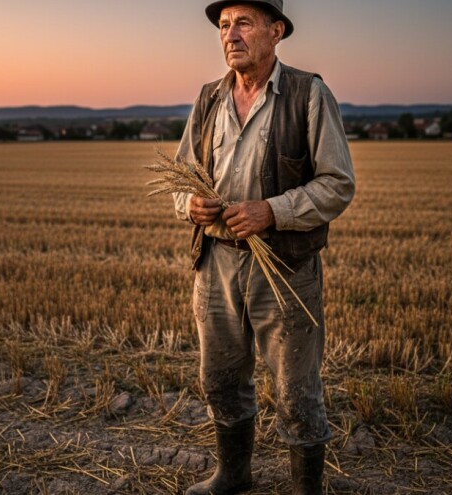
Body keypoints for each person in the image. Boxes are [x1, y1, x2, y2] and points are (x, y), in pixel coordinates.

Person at [172, 1, 355, 493]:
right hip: (216, 265)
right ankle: (234, 474)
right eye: (224, 25)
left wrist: (270, 211)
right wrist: (189, 205)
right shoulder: (209, 98)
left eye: (243, 24)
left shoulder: (308, 94)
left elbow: (338, 184)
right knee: (220, 379)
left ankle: (304, 488)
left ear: (276, 33)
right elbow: (180, 179)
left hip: (286, 266)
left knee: (297, 390)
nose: (230, 35)